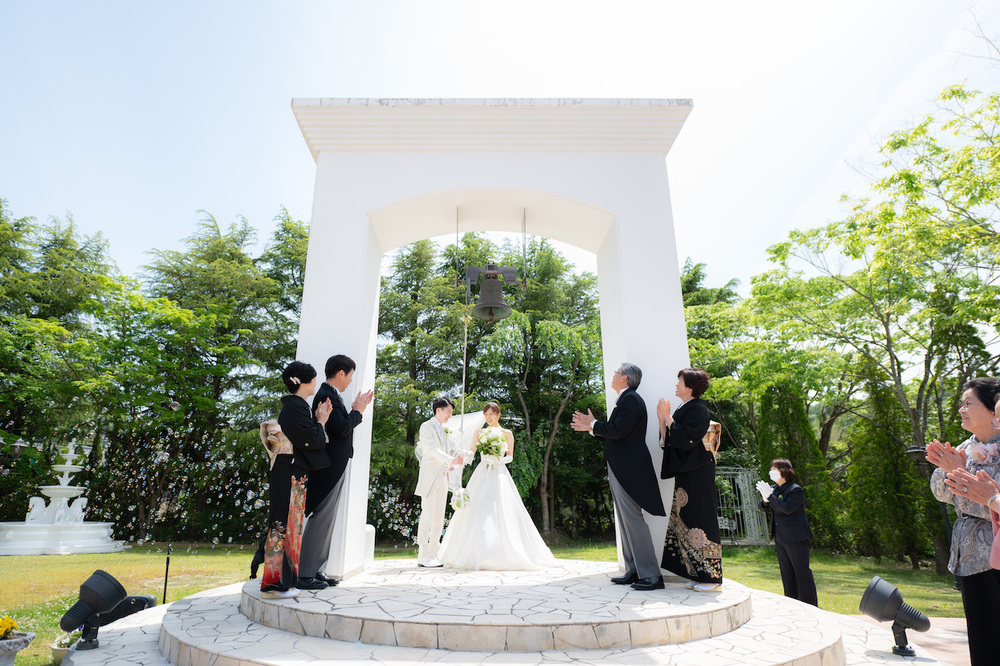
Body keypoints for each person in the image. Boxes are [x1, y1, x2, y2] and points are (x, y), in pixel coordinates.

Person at [572, 363, 666, 591]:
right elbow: (615, 433)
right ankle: (633, 570)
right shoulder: (625, 400)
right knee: (624, 520)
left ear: (625, 378)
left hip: (629, 469)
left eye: (616, 372)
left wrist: (594, 424)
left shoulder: (631, 399)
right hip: (620, 467)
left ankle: (652, 575)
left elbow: (618, 431)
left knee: (632, 519)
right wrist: (593, 428)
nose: (613, 375)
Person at [926, 377, 1000, 666]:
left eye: (969, 403)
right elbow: (941, 493)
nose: (961, 409)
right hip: (969, 556)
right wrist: (951, 470)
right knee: (981, 636)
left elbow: (989, 503)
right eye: (961, 403)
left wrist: (961, 475)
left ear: (993, 410)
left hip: (994, 551)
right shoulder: (963, 449)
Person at [438, 403, 558, 570]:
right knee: (477, 508)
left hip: (499, 472)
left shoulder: (506, 433)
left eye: (491, 414)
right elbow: (473, 450)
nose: (488, 417)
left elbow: (510, 456)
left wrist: (498, 460)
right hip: (482, 471)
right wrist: (466, 453)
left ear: (498, 415)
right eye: (486, 414)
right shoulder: (479, 432)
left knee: (500, 507)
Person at [299, 354, 374, 590]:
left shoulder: (331, 394)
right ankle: (305, 573)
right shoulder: (325, 395)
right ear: (341, 373)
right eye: (350, 375)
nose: (351, 380)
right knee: (322, 516)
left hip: (335, 464)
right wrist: (358, 411)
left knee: (328, 518)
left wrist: (353, 411)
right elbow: (341, 428)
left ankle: (316, 569)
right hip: (328, 466)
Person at [261, 361, 331, 599]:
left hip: (291, 471)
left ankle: (284, 583)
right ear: (303, 382)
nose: (315, 383)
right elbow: (314, 439)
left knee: (291, 526)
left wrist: (318, 422)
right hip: (289, 472)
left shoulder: (297, 406)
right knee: (283, 524)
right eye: (313, 379)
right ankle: (273, 585)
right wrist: (321, 421)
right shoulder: (294, 408)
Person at [658, 367, 722, 592]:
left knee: (702, 520)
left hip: (698, 474)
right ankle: (696, 573)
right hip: (688, 473)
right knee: (686, 520)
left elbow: (686, 440)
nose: (677, 384)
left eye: (680, 381)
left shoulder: (698, 410)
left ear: (690, 387)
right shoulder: (685, 408)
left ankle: (712, 579)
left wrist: (668, 416)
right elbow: (671, 440)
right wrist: (662, 419)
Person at [756, 458, 818, 606]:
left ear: (784, 471)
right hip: (781, 537)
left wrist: (770, 497)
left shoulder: (795, 490)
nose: (771, 472)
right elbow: (764, 507)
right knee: (787, 573)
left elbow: (787, 508)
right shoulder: (775, 489)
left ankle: (809, 604)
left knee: (801, 572)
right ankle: (791, 602)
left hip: (796, 538)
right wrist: (765, 500)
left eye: (774, 470)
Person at [414, 396, 462, 567]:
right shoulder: (426, 426)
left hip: (443, 476)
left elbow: (445, 452)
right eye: (448, 411)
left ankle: (434, 553)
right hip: (430, 476)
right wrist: (450, 460)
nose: (450, 415)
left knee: (439, 516)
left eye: (451, 412)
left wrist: (450, 465)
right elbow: (430, 449)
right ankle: (423, 555)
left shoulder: (445, 429)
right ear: (438, 410)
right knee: (427, 514)